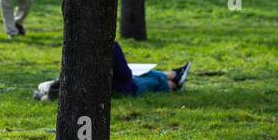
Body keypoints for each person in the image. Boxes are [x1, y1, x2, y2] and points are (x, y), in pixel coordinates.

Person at [40, 42, 190, 100]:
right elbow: (125, 75)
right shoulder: (111, 45)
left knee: (148, 74)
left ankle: (176, 75)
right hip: (122, 88)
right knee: (153, 80)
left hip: (115, 84)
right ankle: (176, 83)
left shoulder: (75, 44)